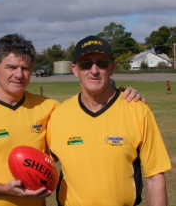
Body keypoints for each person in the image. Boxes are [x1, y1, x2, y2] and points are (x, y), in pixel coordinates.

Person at [0, 34, 144, 206]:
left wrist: (121, 93)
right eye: (11, 67)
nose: (19, 75)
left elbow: (89, 108)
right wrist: (4, 189)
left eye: (26, 68)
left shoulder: (49, 108)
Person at [47, 36, 172, 206]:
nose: (94, 70)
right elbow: (40, 165)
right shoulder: (58, 115)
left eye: (102, 63)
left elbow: (155, 176)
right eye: (86, 64)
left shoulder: (138, 110)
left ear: (112, 68)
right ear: (75, 69)